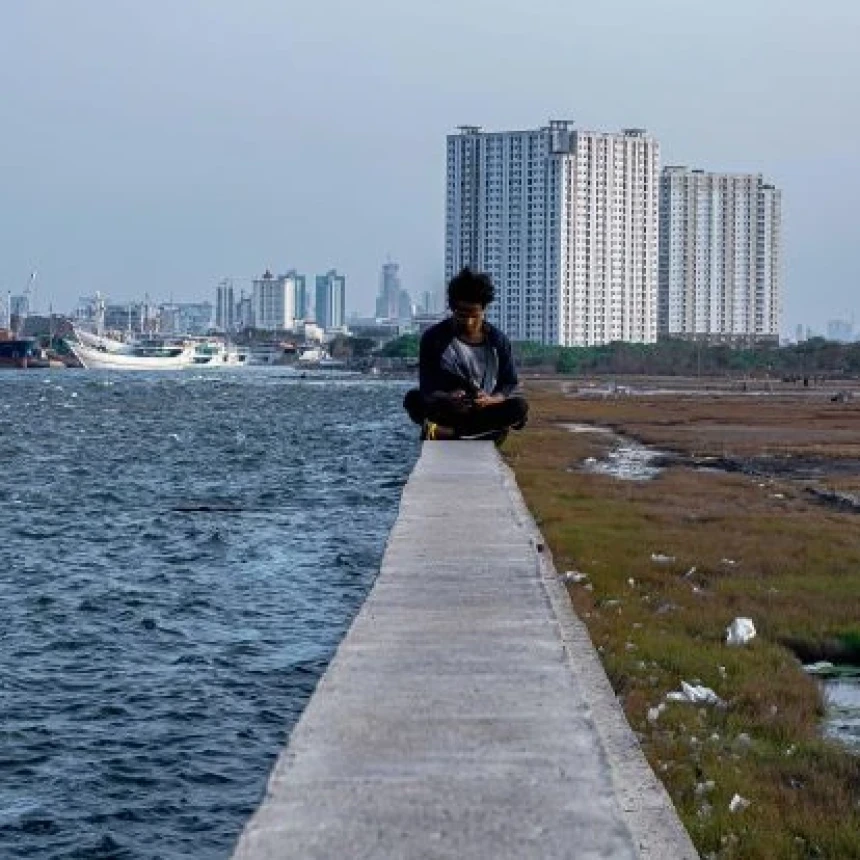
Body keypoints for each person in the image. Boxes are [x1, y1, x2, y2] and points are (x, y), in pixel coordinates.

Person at [403, 268, 528, 442]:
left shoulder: (498, 341)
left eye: (474, 315)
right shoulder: (434, 338)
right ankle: (480, 432)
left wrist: (491, 400)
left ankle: (451, 433)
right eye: (462, 315)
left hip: (482, 408)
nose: (468, 321)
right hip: (448, 408)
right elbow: (427, 386)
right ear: (453, 309)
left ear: (484, 310)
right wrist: (449, 397)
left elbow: (508, 383)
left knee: (520, 407)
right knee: (413, 399)